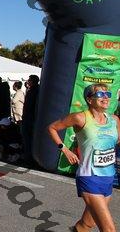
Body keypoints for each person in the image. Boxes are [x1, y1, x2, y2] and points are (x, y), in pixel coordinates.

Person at [48, 83, 119, 232]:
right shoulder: (79, 118)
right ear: (89, 99)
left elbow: (116, 141)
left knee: (87, 224)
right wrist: (65, 150)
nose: (105, 98)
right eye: (100, 94)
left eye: (107, 94)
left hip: (108, 177)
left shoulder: (114, 120)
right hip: (89, 177)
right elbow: (52, 128)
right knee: (109, 229)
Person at [22, 74, 40, 164]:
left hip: (29, 118)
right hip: (32, 118)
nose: (27, 82)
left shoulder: (32, 92)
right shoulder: (38, 90)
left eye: (29, 80)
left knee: (27, 139)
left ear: (32, 81)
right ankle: (30, 158)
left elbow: (28, 106)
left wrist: (25, 116)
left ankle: (28, 158)